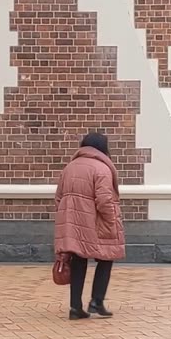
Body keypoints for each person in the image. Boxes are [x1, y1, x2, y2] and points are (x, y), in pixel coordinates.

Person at [54, 132, 125, 320]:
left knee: (78, 260)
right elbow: (104, 200)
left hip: (72, 222)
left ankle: (75, 307)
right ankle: (96, 301)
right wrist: (111, 220)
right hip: (95, 221)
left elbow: (59, 197)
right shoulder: (102, 168)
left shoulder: (69, 167)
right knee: (106, 257)